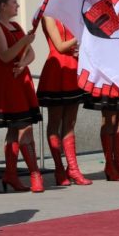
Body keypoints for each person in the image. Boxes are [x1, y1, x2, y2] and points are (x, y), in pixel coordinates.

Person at [0, 0, 44, 193]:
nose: (17, 6)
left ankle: (11, 174)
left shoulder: (16, 26)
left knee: (15, 128)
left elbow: (31, 54)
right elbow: (5, 56)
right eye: (13, 2)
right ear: (3, 6)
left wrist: (23, 63)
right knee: (23, 126)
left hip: (21, 79)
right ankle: (34, 174)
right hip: (7, 81)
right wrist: (24, 42)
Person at [37, 17, 91, 186]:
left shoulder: (68, 13)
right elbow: (60, 46)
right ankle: (59, 169)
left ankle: (73, 168)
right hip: (57, 69)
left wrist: (79, 47)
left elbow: (71, 44)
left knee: (70, 123)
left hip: (72, 67)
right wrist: (80, 36)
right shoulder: (48, 16)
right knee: (55, 121)